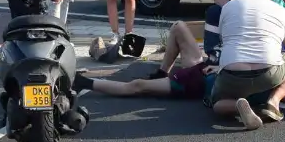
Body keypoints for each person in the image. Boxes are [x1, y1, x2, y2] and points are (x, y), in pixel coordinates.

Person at [209, 0, 285, 130]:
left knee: (217, 104)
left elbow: (224, 39)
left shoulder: (228, 7)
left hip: (232, 74)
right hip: (267, 73)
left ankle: (237, 105)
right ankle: (273, 102)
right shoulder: (279, 10)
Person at [74, 21, 214, 100]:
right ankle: (162, 73)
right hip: (206, 69)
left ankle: (83, 82)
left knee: (137, 85)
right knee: (179, 26)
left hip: (198, 83)